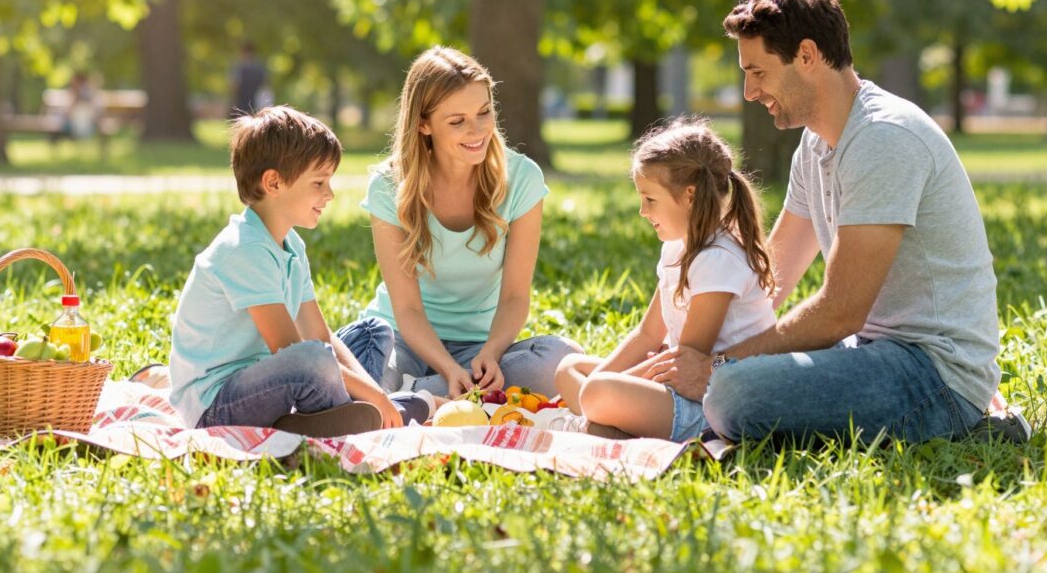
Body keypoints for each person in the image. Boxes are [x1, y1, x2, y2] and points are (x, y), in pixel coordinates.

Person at [661, 0, 1002, 444]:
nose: (748, 91)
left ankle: (976, 423)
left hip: (933, 375)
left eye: (758, 71)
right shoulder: (816, 142)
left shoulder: (885, 137)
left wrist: (720, 365)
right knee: (733, 381)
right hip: (870, 352)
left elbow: (840, 312)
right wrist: (697, 347)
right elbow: (771, 275)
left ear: (806, 55)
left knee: (732, 393)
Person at [168, 105, 436, 436]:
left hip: (269, 378)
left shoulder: (290, 244)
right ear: (273, 182)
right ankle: (361, 413)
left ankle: (350, 414)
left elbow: (320, 335)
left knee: (373, 332)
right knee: (310, 360)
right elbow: (293, 352)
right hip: (215, 405)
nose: (330, 194)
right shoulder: (245, 248)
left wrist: (375, 395)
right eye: (319, 182)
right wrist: (376, 396)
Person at [359, 46, 580, 397]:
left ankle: (417, 396)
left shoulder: (522, 178)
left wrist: (491, 353)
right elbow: (407, 308)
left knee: (561, 360)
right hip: (403, 341)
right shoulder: (389, 186)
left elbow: (514, 297)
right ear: (423, 124)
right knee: (365, 373)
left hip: (479, 346)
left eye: (484, 112)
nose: (477, 130)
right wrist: (448, 369)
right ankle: (436, 390)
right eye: (457, 121)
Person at [554, 119, 776, 441]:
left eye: (650, 200)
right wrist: (604, 384)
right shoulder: (676, 247)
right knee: (568, 368)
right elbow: (647, 334)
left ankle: (602, 418)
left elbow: (686, 363)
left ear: (689, 195)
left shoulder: (718, 260)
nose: (643, 212)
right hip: (674, 384)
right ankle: (603, 421)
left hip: (708, 402)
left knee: (596, 393)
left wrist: (601, 390)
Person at [230, 41, 268, 118]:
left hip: (241, 102)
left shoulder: (239, 67)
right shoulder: (260, 67)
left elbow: (234, 85)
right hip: (256, 103)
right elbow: (265, 85)